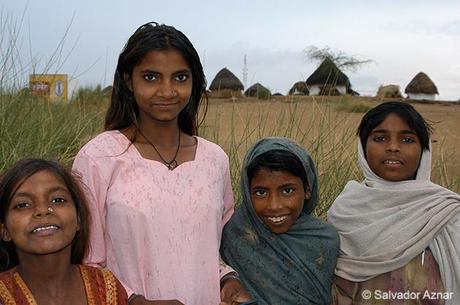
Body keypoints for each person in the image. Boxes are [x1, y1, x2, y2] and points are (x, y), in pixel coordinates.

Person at [72, 22, 251, 305]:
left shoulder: (214, 159)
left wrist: (227, 279)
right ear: (129, 80)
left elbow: (209, 250)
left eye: (180, 77)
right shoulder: (98, 157)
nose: (167, 91)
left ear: (194, 82)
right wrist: (134, 301)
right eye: (151, 77)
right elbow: (86, 262)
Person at [328, 101, 460, 305]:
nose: (392, 147)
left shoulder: (447, 212)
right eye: (380, 138)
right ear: (363, 147)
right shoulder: (345, 211)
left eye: (407, 139)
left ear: (424, 150)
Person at [221, 137, 340, 305]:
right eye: (261, 192)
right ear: (248, 193)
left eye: (287, 190)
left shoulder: (325, 240)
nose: (275, 206)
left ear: (307, 189)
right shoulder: (233, 235)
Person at [0, 158, 128, 305]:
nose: (42, 211)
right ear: (4, 230)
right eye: (23, 205)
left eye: (58, 200)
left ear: (79, 219)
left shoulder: (107, 288)